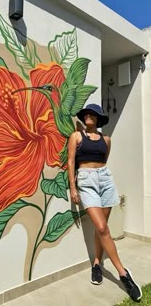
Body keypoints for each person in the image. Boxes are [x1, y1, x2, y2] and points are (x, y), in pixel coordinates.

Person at [67, 103, 142, 302]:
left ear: (99, 119)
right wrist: (73, 188)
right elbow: (71, 162)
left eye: (93, 114)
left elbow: (105, 160)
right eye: (87, 114)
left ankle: (97, 264)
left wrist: (102, 175)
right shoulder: (76, 137)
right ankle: (123, 274)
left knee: (103, 228)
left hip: (105, 180)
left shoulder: (106, 139)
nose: (89, 116)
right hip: (86, 180)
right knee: (101, 227)